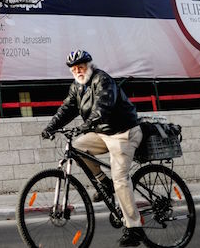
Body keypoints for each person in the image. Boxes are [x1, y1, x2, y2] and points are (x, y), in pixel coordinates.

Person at [41, 49, 145, 247]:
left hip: (124, 132)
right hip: (103, 133)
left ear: (89, 65)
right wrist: (50, 127)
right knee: (78, 146)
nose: (78, 71)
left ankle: (134, 228)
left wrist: (85, 125)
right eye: (74, 69)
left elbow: (102, 108)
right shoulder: (77, 87)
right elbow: (66, 109)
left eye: (81, 67)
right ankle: (102, 182)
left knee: (120, 179)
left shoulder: (102, 80)